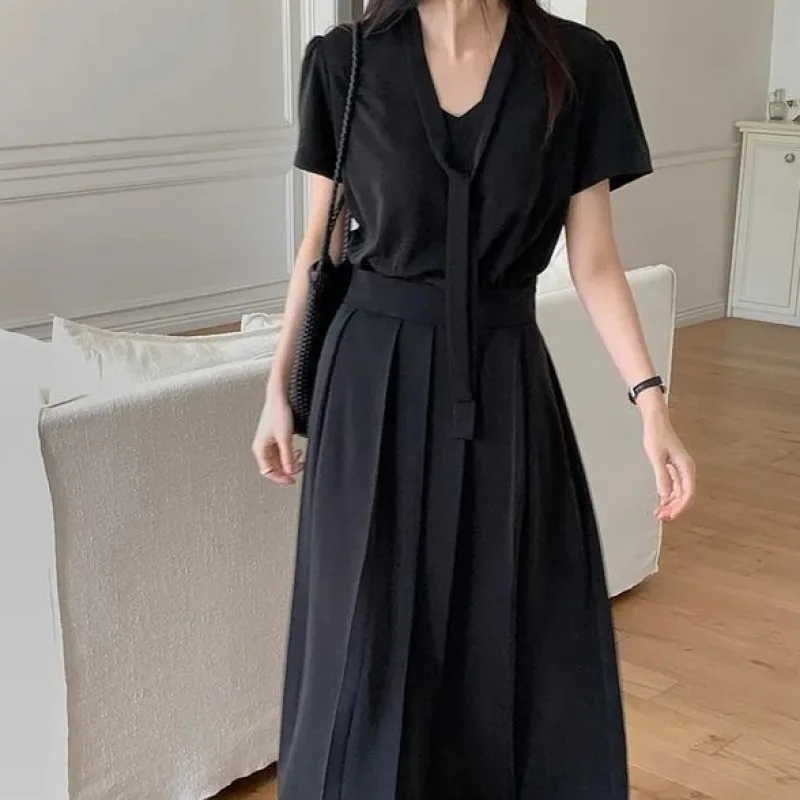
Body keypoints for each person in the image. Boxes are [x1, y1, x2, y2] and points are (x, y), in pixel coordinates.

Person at [252, 0, 695, 797]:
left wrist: (651, 401)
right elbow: (319, 246)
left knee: (509, 616)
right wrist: (279, 389)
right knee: (364, 630)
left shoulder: (578, 65)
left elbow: (594, 259)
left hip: (503, 375)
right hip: (367, 381)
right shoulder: (344, 62)